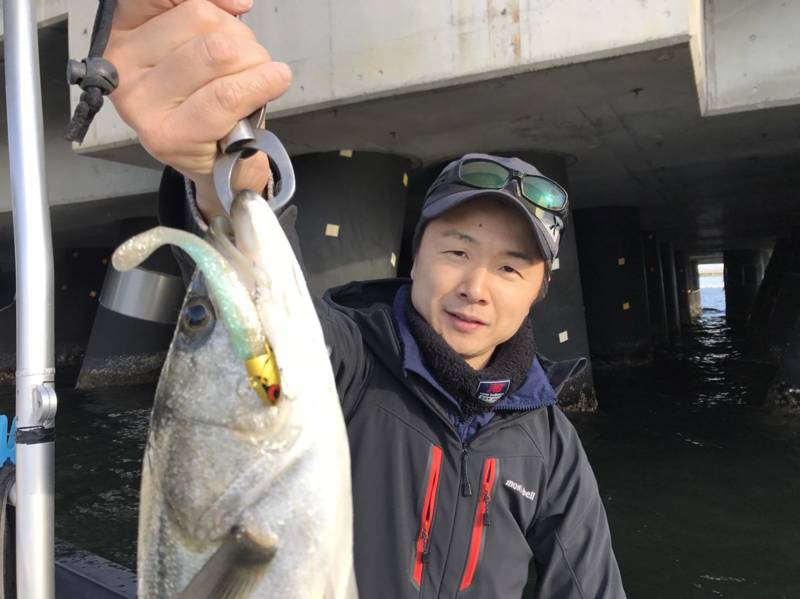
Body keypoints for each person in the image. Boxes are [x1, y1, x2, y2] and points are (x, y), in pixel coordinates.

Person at [106, 1, 627, 597]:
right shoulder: (346, 361)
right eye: (457, 251)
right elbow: (262, 340)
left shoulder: (549, 443)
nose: (475, 289)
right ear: (416, 254)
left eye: (509, 268)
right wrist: (222, 170)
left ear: (539, 290)